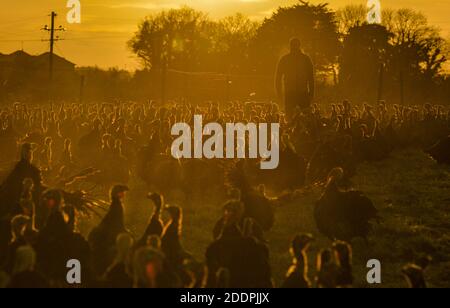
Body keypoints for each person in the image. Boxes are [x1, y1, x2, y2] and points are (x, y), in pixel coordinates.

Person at [275, 38, 315, 121]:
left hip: (302, 93)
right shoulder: (285, 59)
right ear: (290, 46)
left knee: (305, 118)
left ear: (299, 45)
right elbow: (278, 78)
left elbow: (311, 78)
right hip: (292, 93)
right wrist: (279, 93)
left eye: (295, 45)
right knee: (290, 118)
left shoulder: (305, 59)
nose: (294, 47)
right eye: (293, 45)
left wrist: (311, 93)